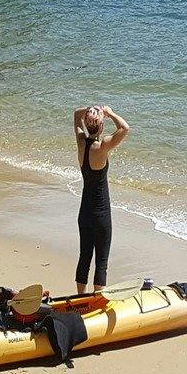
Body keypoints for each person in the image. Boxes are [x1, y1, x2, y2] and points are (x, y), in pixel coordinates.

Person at [72, 105, 128, 295]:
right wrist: (110, 112)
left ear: (87, 125)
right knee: (101, 261)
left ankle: (81, 298)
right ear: (101, 127)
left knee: (84, 257)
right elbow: (125, 128)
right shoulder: (102, 147)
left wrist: (90, 109)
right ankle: (97, 300)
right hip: (101, 213)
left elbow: (76, 115)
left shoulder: (81, 142)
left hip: (84, 212)